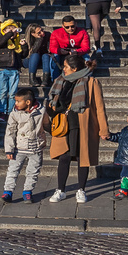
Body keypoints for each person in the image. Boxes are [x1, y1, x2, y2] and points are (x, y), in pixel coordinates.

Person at [46, 51, 109, 204]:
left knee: (83, 157)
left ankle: (81, 190)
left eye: (66, 67)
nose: (64, 70)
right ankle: (60, 190)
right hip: (64, 123)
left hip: (83, 124)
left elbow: (100, 107)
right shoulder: (60, 81)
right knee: (64, 156)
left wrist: (104, 129)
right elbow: (52, 101)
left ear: (75, 69)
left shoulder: (91, 82)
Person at [0, 86, 47, 203]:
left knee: (33, 171)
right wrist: (9, 149)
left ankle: (27, 192)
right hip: (19, 148)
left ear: (28, 102)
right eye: (15, 101)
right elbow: (10, 132)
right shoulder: (14, 114)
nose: (16, 103)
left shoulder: (41, 111)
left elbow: (46, 124)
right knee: (13, 170)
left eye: (18, 101)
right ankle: (8, 192)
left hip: (36, 147)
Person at [0, 19, 27, 115]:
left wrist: (24, 46)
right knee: (2, 92)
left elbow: (23, 55)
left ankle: (11, 112)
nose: (12, 32)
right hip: (2, 69)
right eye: (9, 30)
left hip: (14, 70)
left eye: (14, 30)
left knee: (13, 94)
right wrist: (9, 34)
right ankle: (1, 112)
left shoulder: (17, 42)